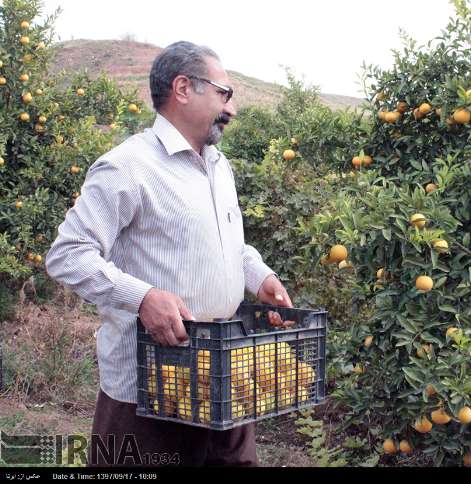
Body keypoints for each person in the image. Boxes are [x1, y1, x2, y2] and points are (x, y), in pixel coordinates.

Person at [45, 41, 293, 467]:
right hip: (148, 388)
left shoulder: (219, 166)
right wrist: (142, 298)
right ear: (183, 88)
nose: (230, 108)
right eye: (223, 93)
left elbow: (232, 243)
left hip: (220, 372)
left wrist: (259, 277)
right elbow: (68, 254)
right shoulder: (128, 167)